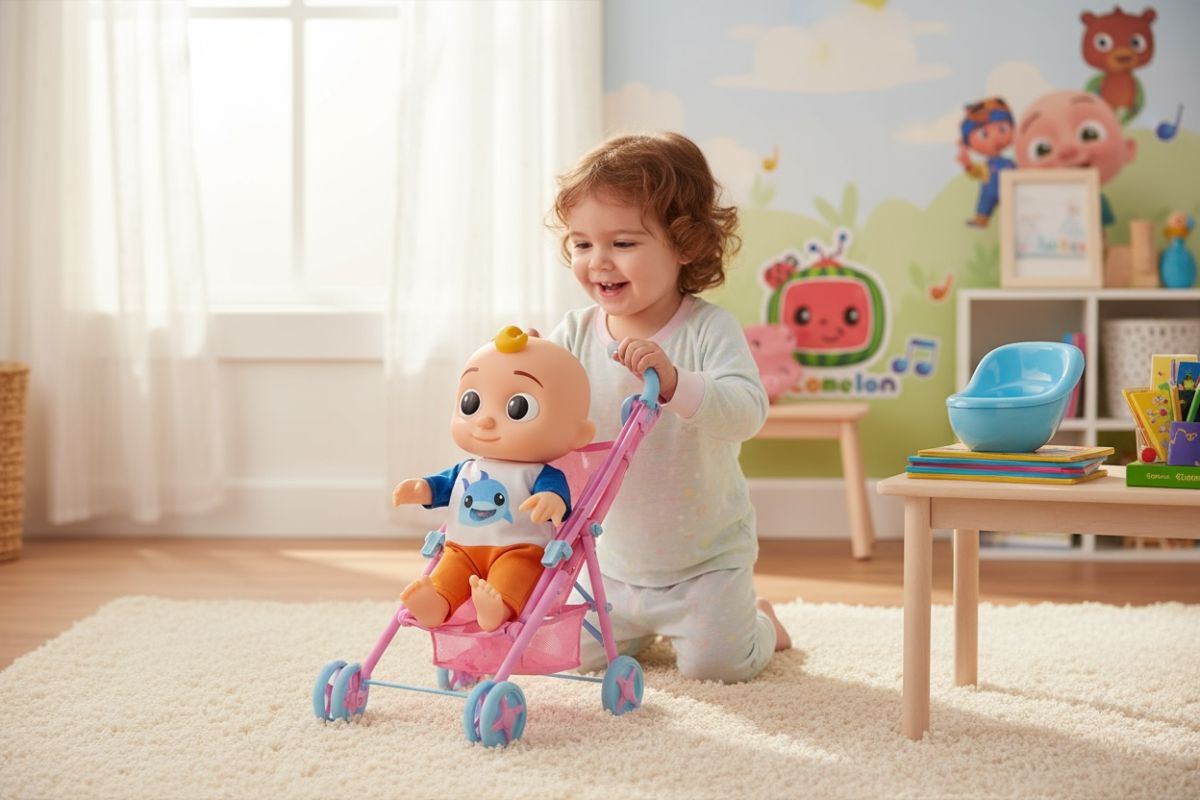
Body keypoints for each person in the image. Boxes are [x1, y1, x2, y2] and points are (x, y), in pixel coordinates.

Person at [544, 132, 791, 684]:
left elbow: (746, 412)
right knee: (571, 656)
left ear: (685, 244)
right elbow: (546, 422)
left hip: (704, 565)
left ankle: (763, 624)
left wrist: (677, 383)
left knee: (718, 667)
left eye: (622, 243)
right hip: (609, 563)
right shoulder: (573, 334)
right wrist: (531, 372)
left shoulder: (708, 329)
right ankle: (640, 629)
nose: (598, 261)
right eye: (582, 244)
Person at [392, 326, 595, 632]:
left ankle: (497, 609)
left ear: (578, 434)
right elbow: (442, 486)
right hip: (461, 549)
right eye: (471, 403)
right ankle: (436, 604)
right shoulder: (467, 469)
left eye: (518, 408)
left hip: (518, 549)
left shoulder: (540, 473)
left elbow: (557, 496)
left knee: (514, 575)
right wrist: (422, 488)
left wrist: (552, 500)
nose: (485, 420)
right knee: (447, 573)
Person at [1014, 89, 1136, 228]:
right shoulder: (1037, 208)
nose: (1066, 149)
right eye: (1042, 149)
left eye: (1089, 134)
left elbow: (1101, 233)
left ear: (1129, 149)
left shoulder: (1097, 201)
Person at [956, 97, 1016, 227]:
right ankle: (982, 218)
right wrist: (968, 165)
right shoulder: (984, 166)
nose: (995, 138)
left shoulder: (1010, 163)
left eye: (1002, 129)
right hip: (989, 194)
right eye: (984, 134)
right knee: (984, 202)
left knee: (1012, 212)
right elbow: (975, 172)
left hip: (1010, 195)